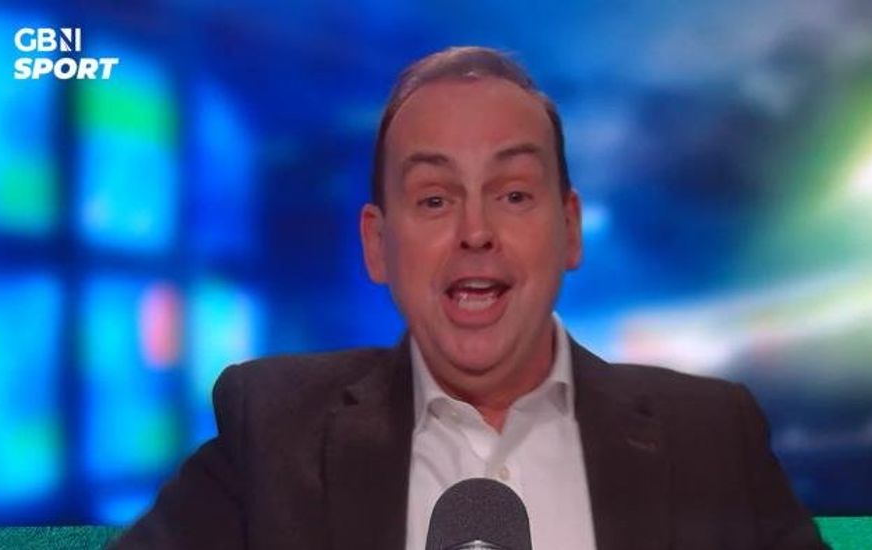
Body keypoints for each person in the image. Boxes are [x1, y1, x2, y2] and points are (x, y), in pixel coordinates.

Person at [113, 46, 827, 549]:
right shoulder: (273, 432)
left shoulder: (712, 437)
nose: (476, 230)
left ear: (570, 229)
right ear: (377, 245)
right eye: (434, 198)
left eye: (513, 194)